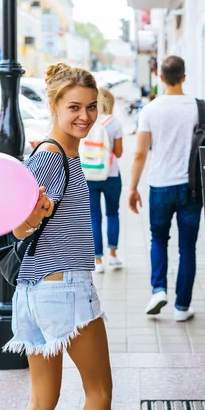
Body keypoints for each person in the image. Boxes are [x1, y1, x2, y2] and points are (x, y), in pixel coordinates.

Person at [4, 63, 112, 410]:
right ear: (54, 107)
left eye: (91, 106)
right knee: (99, 393)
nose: (85, 116)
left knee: (41, 402)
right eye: (74, 107)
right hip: (63, 287)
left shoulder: (62, 153)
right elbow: (18, 227)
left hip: (35, 291)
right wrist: (36, 215)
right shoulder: (51, 157)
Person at [128, 55, 205, 322]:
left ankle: (158, 290)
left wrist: (132, 188)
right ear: (184, 77)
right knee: (187, 247)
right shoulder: (199, 108)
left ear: (160, 78)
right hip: (192, 187)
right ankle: (182, 307)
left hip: (160, 186)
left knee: (158, 239)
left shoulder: (150, 109)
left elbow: (139, 154)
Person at [86, 88, 123, 274]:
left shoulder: (89, 121)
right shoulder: (114, 124)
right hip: (111, 175)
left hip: (89, 175)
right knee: (112, 214)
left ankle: (98, 260)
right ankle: (113, 254)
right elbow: (119, 152)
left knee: (94, 217)